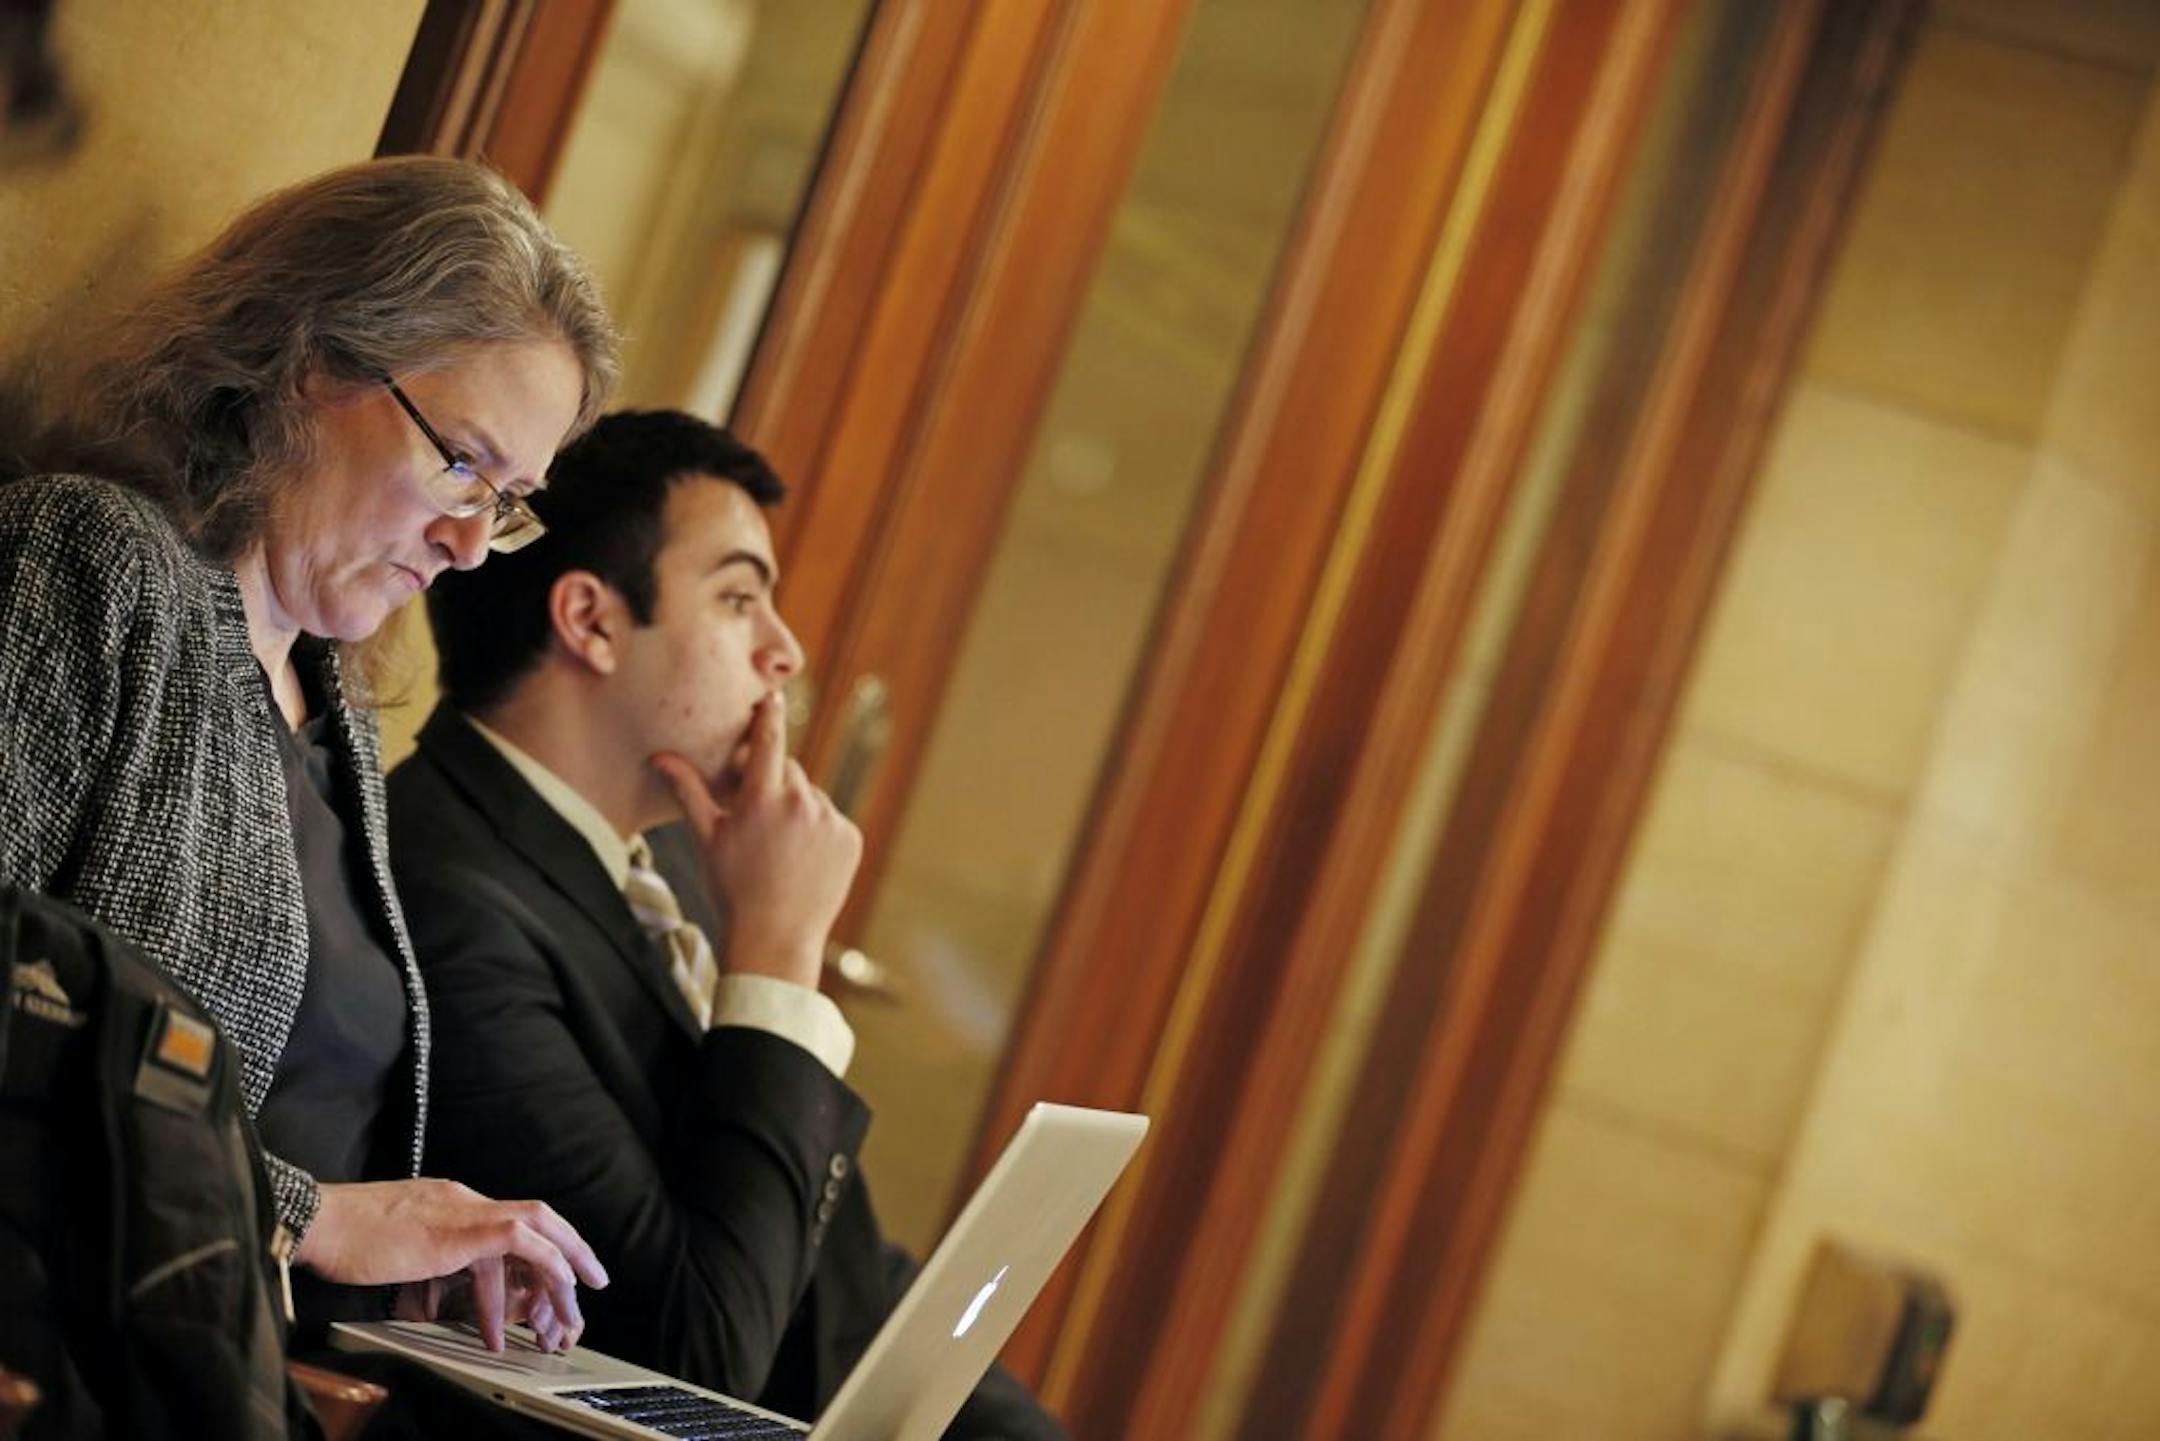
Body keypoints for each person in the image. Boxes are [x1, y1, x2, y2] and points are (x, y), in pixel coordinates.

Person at [0, 156, 614, 1356]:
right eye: (463, 464)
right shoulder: (88, 561)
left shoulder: (333, 696)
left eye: (513, 499)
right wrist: (309, 1222)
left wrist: (401, 1270)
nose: (473, 543)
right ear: (310, 362)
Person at [386, 409, 1065, 1437]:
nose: (785, 653)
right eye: (740, 598)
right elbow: (690, 1357)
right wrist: (782, 960)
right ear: (592, 621)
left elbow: (830, 1263)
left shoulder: (666, 873)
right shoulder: (447, 892)